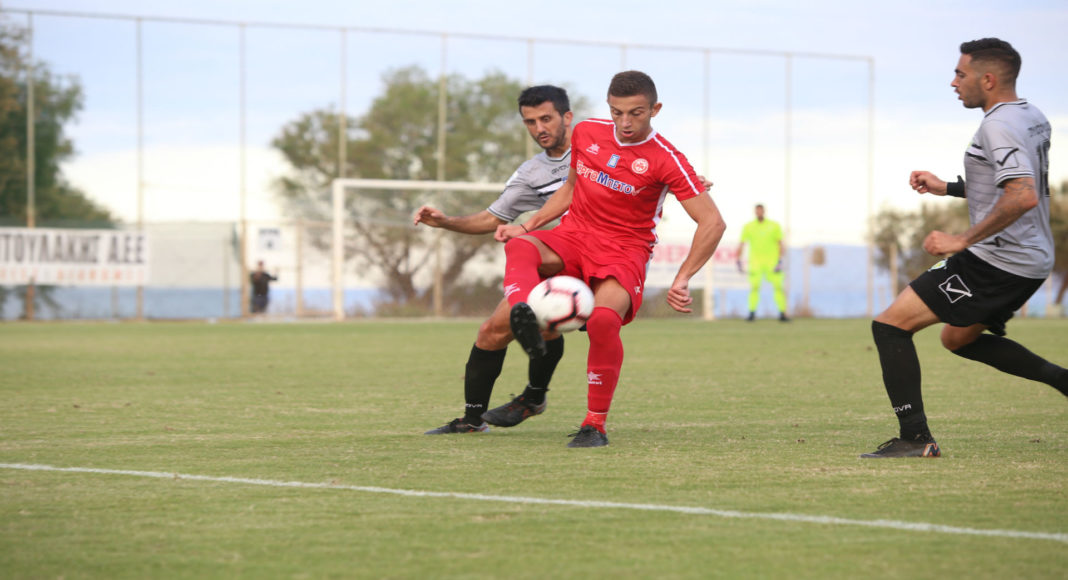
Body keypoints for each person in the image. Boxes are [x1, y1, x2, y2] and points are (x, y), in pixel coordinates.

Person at [496, 70, 726, 448]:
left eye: (636, 113)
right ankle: (524, 313)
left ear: (655, 109)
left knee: (603, 321)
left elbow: (713, 222)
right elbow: (570, 187)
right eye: (617, 112)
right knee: (520, 246)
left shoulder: (668, 159)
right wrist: (529, 224)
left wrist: (683, 278)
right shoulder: (587, 132)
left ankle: (594, 425)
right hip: (575, 235)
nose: (625, 123)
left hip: (624, 250)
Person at [863, 38, 1067, 458]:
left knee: (890, 326)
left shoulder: (997, 125)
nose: (954, 82)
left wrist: (962, 239)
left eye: (961, 74)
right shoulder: (1031, 115)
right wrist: (949, 187)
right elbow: (1012, 183)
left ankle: (915, 438)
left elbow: (1023, 194)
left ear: (988, 79)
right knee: (957, 339)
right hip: (1031, 259)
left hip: (997, 259)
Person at [419, 85, 574, 434]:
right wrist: (445, 222)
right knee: (491, 332)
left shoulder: (601, 148)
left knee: (551, 323)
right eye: (530, 122)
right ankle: (472, 420)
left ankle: (547, 402)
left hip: (606, 253)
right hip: (559, 254)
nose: (539, 128)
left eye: (546, 118)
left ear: (567, 117)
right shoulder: (531, 173)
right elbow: (493, 219)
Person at [737, 203, 788, 321]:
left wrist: (780, 260)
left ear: (764, 211)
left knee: (778, 288)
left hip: (772, 262)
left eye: (761, 210)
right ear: (755, 212)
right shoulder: (748, 226)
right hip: (755, 263)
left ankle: (782, 313)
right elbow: (742, 243)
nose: (759, 213)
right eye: (757, 211)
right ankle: (752, 313)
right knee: (754, 288)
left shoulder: (774, 225)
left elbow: (780, 243)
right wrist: (738, 259)